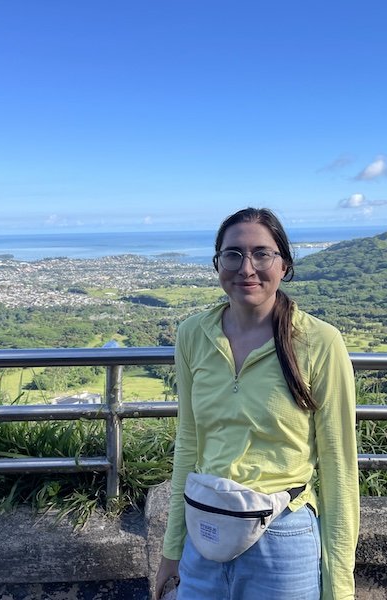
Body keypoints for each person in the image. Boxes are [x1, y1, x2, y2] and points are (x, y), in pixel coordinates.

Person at [154, 207, 359, 599]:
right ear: (217, 263)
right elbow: (189, 443)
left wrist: (339, 588)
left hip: (284, 537)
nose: (246, 268)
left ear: (284, 265)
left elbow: (339, 468)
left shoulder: (319, 342)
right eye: (233, 254)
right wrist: (172, 550)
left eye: (262, 254)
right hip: (205, 530)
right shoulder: (193, 335)